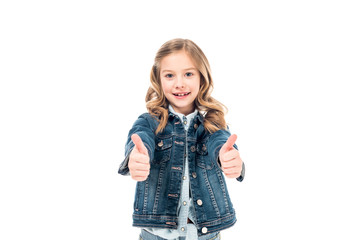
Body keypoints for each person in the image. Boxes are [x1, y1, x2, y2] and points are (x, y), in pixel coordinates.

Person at [118, 38, 245, 240]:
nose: (179, 84)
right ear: (158, 80)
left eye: (188, 74)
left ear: (201, 78)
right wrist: (136, 156)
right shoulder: (148, 122)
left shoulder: (212, 125)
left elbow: (221, 143)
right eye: (169, 75)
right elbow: (141, 140)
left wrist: (228, 157)